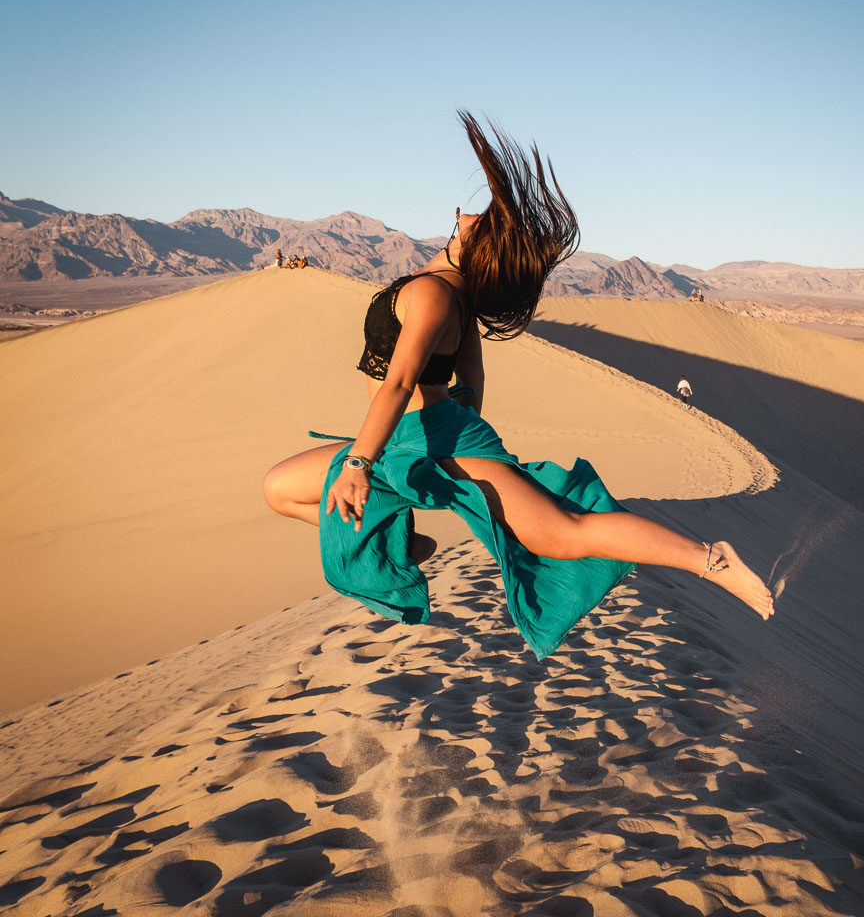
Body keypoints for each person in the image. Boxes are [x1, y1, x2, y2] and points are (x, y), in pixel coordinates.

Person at [262, 113, 773, 661]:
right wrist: (449, 418)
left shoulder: (437, 296)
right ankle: (401, 540)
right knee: (281, 488)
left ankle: (710, 559)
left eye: (483, 219)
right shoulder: (445, 291)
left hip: (418, 441)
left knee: (561, 534)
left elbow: (401, 381)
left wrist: (367, 461)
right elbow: (473, 379)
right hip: (400, 441)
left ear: (475, 241)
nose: (474, 213)